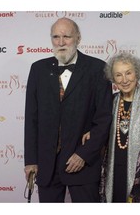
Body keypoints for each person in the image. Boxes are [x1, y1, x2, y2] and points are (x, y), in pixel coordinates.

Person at [23, 17, 113, 202]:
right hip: (47, 165)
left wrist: (83, 154)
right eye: (56, 37)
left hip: (82, 164)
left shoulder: (98, 69)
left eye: (67, 36)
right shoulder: (38, 69)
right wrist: (31, 160)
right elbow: (31, 119)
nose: (61, 42)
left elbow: (104, 119)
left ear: (78, 38)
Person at [84, 52, 140, 202]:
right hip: (113, 171)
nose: (125, 80)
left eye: (128, 73)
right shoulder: (111, 102)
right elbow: (101, 128)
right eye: (119, 75)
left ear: (137, 74)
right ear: (113, 79)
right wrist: (91, 133)